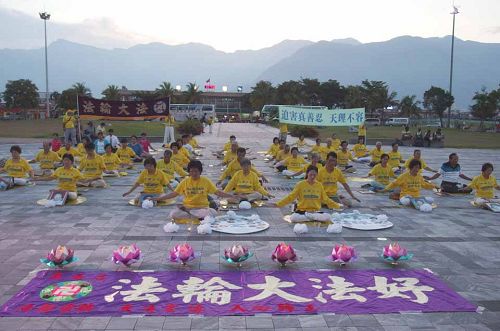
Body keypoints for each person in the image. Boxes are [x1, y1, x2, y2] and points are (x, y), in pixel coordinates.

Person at [152, 160, 236, 220]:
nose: (194, 174)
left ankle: (193, 215)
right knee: (173, 214)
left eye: (196, 171)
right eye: (191, 171)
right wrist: (158, 199)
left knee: (210, 213)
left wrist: (231, 195)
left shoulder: (205, 181)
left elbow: (217, 192)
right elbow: (174, 194)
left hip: (202, 208)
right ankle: (195, 216)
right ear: (189, 172)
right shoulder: (185, 181)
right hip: (188, 207)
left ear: (200, 171)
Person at [271, 165, 342, 212]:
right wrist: (278, 204)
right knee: (295, 218)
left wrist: (337, 205)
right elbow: (291, 197)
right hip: (302, 211)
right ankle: (296, 208)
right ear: (307, 174)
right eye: (311, 174)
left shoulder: (319, 185)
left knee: (327, 217)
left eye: (314, 175)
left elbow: (326, 199)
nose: (312, 177)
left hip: (315, 212)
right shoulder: (300, 184)